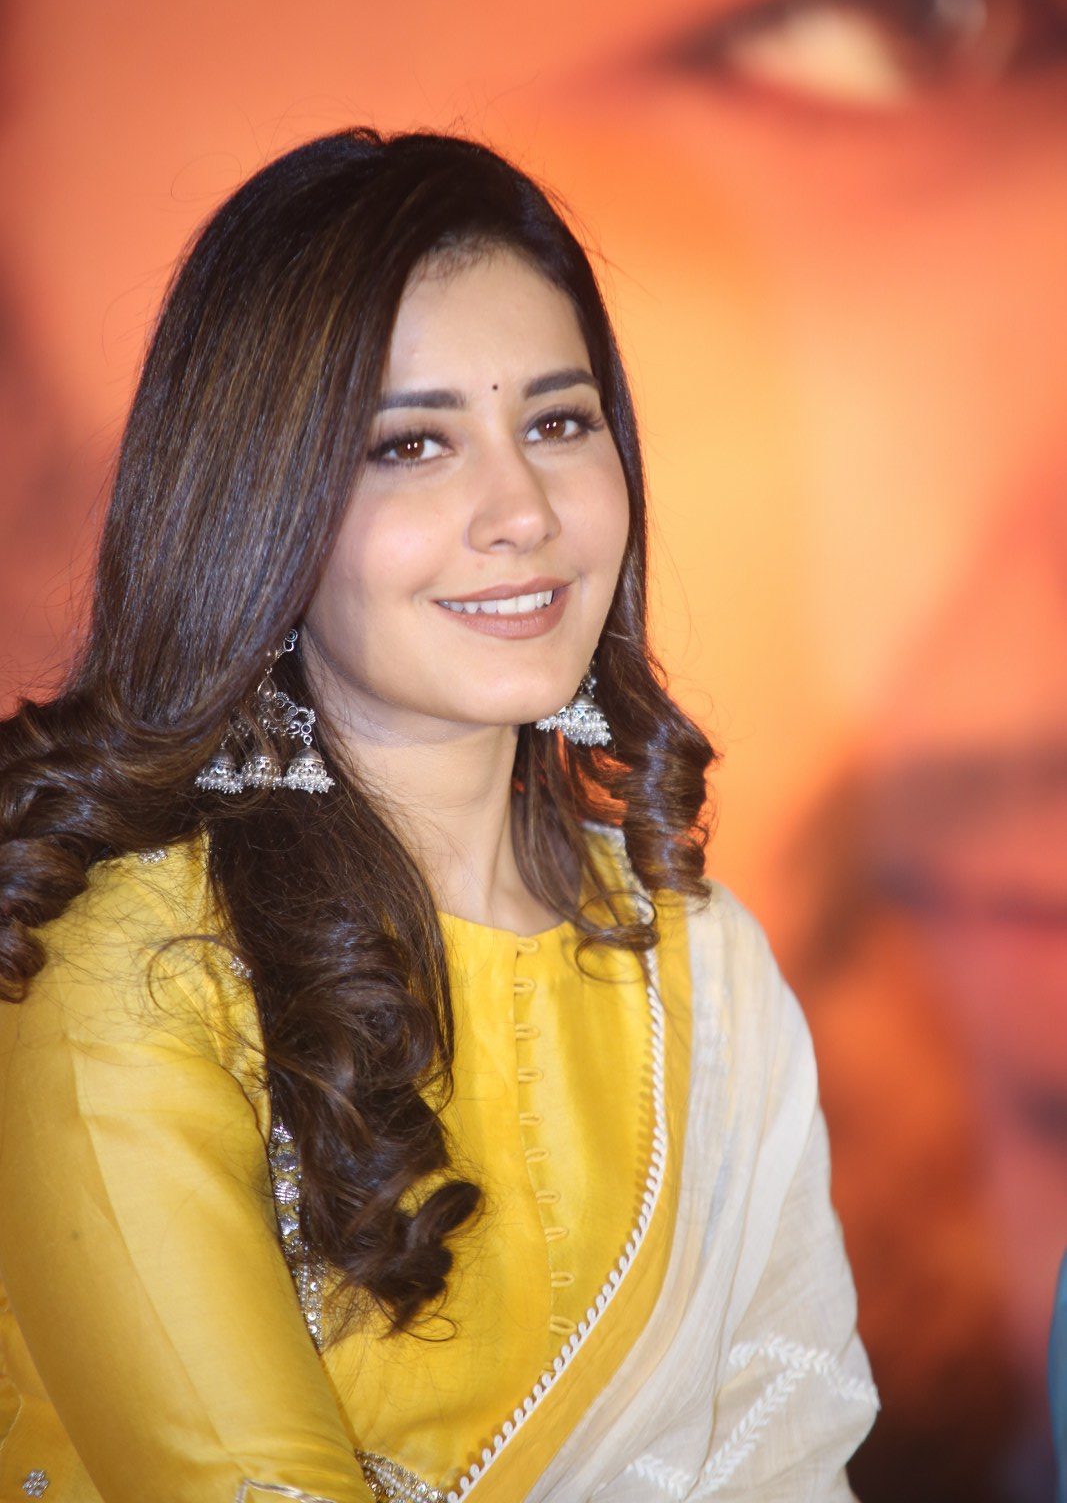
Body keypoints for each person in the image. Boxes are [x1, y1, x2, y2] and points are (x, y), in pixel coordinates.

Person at [0, 127, 877, 1503]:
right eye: (412, 444)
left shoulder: (702, 970)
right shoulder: (141, 963)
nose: (520, 511)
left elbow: (790, 1445)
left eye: (558, 423)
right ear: (263, 510)